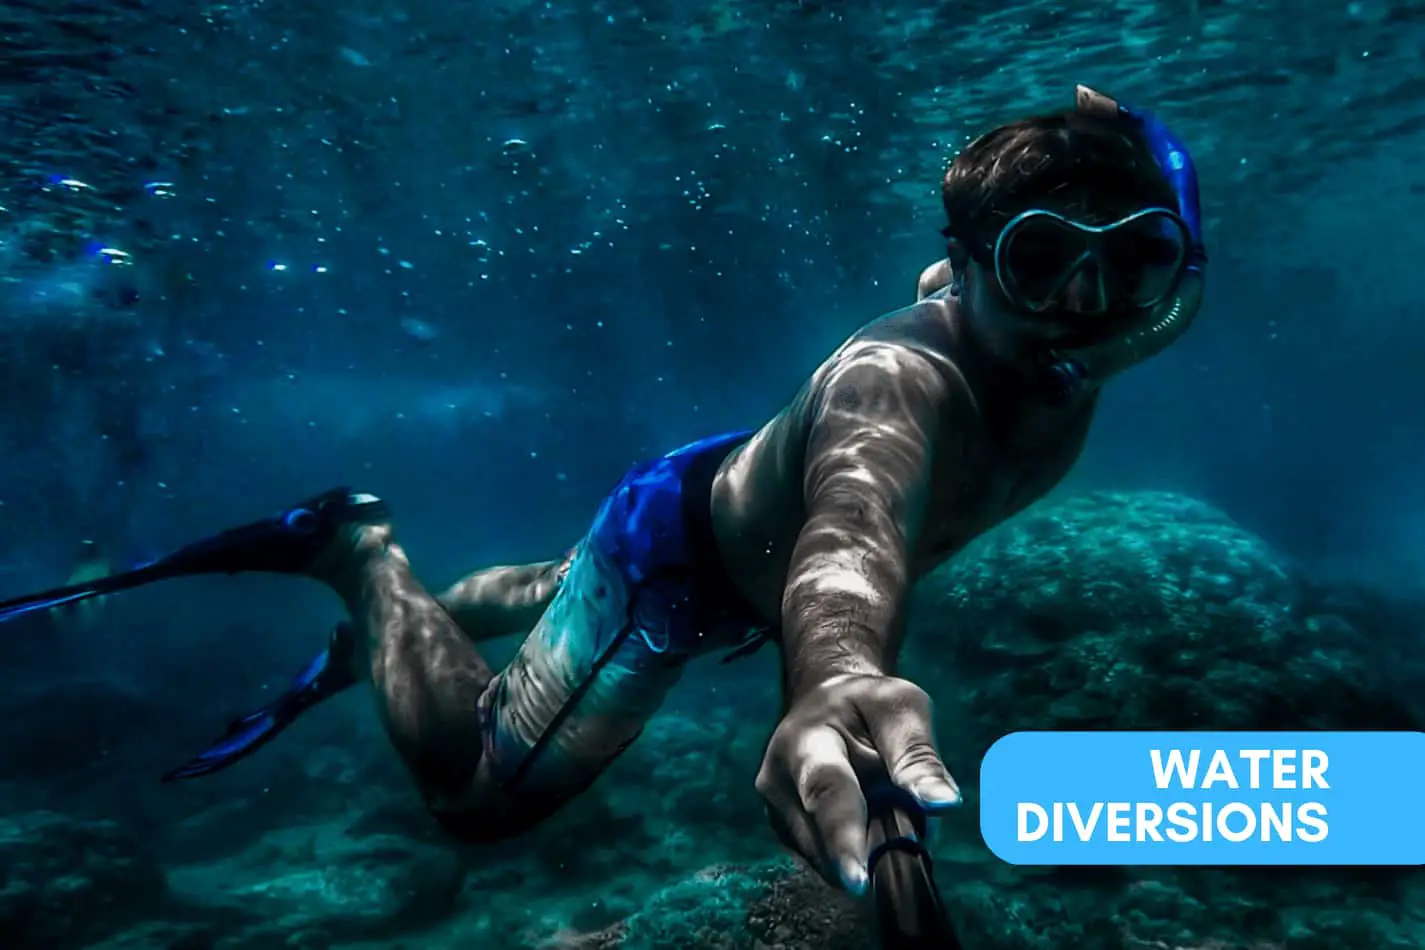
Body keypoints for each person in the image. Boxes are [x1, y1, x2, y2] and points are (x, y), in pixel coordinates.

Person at [0, 85, 1205, 898]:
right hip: (681, 576)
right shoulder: (903, 381)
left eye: (1136, 263)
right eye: (1042, 262)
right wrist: (835, 674)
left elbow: (1122, 292)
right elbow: (854, 518)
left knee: (556, 583)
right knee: (479, 802)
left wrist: (1131, 150)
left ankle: (397, 617)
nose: (1086, 308)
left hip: (705, 499)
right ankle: (361, 554)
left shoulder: (1084, 333)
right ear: (959, 269)